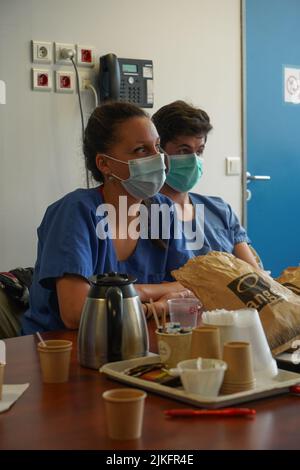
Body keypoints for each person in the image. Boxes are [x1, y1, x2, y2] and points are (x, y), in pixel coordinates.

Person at [21, 102, 192, 335]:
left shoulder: (163, 210)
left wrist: (131, 298)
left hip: (140, 340)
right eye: (141, 150)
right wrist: (147, 296)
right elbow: (76, 313)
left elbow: (193, 287)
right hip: (61, 349)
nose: (158, 159)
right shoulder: (76, 212)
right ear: (105, 164)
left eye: (158, 147)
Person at [152, 100, 260, 268]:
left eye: (199, 151)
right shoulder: (143, 214)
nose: (194, 160)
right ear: (159, 152)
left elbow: (254, 275)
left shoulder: (220, 211)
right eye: (183, 150)